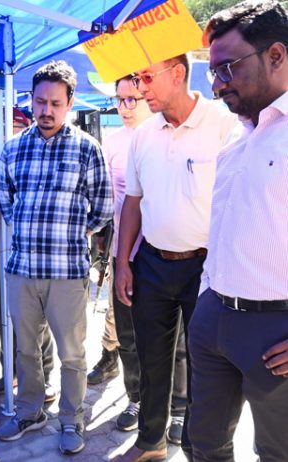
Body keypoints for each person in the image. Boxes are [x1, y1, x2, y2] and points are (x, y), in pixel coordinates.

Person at [111, 54, 238, 462]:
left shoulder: (224, 124)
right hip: (151, 261)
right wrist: (123, 263)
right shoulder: (144, 134)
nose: (141, 88)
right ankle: (151, 443)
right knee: (152, 359)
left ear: (178, 74)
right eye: (137, 78)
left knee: (205, 364)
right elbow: (133, 201)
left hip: (206, 266)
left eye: (147, 77)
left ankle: (199, 449)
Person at [188, 2, 288, 460]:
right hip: (213, 318)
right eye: (212, 71)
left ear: (276, 56)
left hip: (276, 335)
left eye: (227, 67)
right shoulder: (236, 133)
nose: (216, 83)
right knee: (204, 445)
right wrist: (208, 299)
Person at [0, 60, 112, 455]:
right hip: (22, 271)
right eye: (40, 101)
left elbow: (102, 208)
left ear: (70, 103)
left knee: (72, 354)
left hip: (67, 273)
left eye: (55, 103)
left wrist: (68, 234)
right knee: (26, 348)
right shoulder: (12, 148)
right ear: (30, 99)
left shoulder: (87, 148)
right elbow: (6, 202)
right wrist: (34, 231)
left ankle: (71, 418)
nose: (46, 110)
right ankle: (31, 411)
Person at [91, 75, 188, 444]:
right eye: (119, 100)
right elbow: (109, 202)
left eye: (133, 99)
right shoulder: (112, 144)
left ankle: (179, 409)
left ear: (148, 98)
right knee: (129, 337)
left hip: (167, 254)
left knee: (175, 340)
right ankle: (138, 400)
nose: (126, 107)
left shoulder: (167, 136)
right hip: (124, 254)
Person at [0, 107, 56, 402]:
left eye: (12, 127)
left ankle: (46, 376)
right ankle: (11, 371)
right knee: (6, 316)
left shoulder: (43, 164)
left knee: (40, 318)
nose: (5, 135)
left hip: (37, 253)